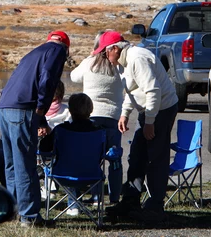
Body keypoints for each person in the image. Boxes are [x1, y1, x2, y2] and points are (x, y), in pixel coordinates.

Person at [97, 31, 179, 224]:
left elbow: (153, 90)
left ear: (115, 48)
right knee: (137, 155)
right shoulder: (122, 62)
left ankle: (155, 206)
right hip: (149, 111)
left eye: (105, 53)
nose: (104, 57)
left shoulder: (137, 59)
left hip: (162, 109)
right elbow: (132, 90)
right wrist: (125, 113)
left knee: (156, 157)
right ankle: (131, 201)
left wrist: (150, 122)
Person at [0, 30, 70, 228]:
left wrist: (42, 120)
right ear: (66, 47)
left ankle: (12, 210)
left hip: (4, 108)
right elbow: (48, 79)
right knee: (25, 164)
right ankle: (29, 216)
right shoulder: (56, 51)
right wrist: (41, 108)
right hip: (23, 109)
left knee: (11, 163)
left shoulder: (33, 53)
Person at [70, 29, 125, 204]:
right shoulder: (120, 65)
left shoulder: (89, 62)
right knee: (114, 160)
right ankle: (115, 196)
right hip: (114, 117)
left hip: (90, 116)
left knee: (91, 158)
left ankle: (96, 196)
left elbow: (74, 77)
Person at [39, 93, 99, 217]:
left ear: (70, 110)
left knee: (68, 164)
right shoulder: (99, 131)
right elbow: (105, 152)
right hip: (92, 173)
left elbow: (44, 148)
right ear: (91, 110)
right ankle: (76, 203)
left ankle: (73, 205)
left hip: (64, 173)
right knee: (76, 163)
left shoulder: (61, 130)